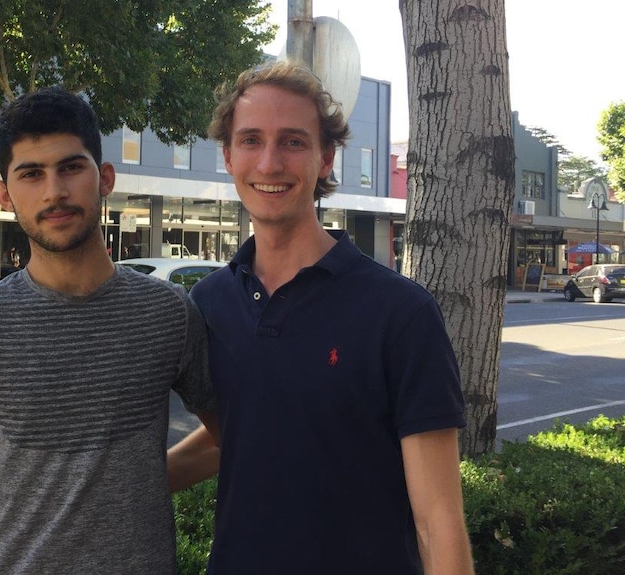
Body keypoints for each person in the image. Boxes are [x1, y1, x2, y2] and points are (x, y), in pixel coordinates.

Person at [167, 60, 475, 574]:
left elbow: (438, 520)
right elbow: (241, 433)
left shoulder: (400, 312)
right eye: (250, 140)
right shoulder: (211, 302)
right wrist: (117, 486)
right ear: (227, 156)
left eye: (292, 141)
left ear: (325, 158)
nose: (269, 163)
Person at [0, 86, 217, 574]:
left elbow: (231, 438)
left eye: (71, 168)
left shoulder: (169, 312)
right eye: (31, 174)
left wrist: (130, 484)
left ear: (104, 178)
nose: (54, 191)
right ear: (4, 194)